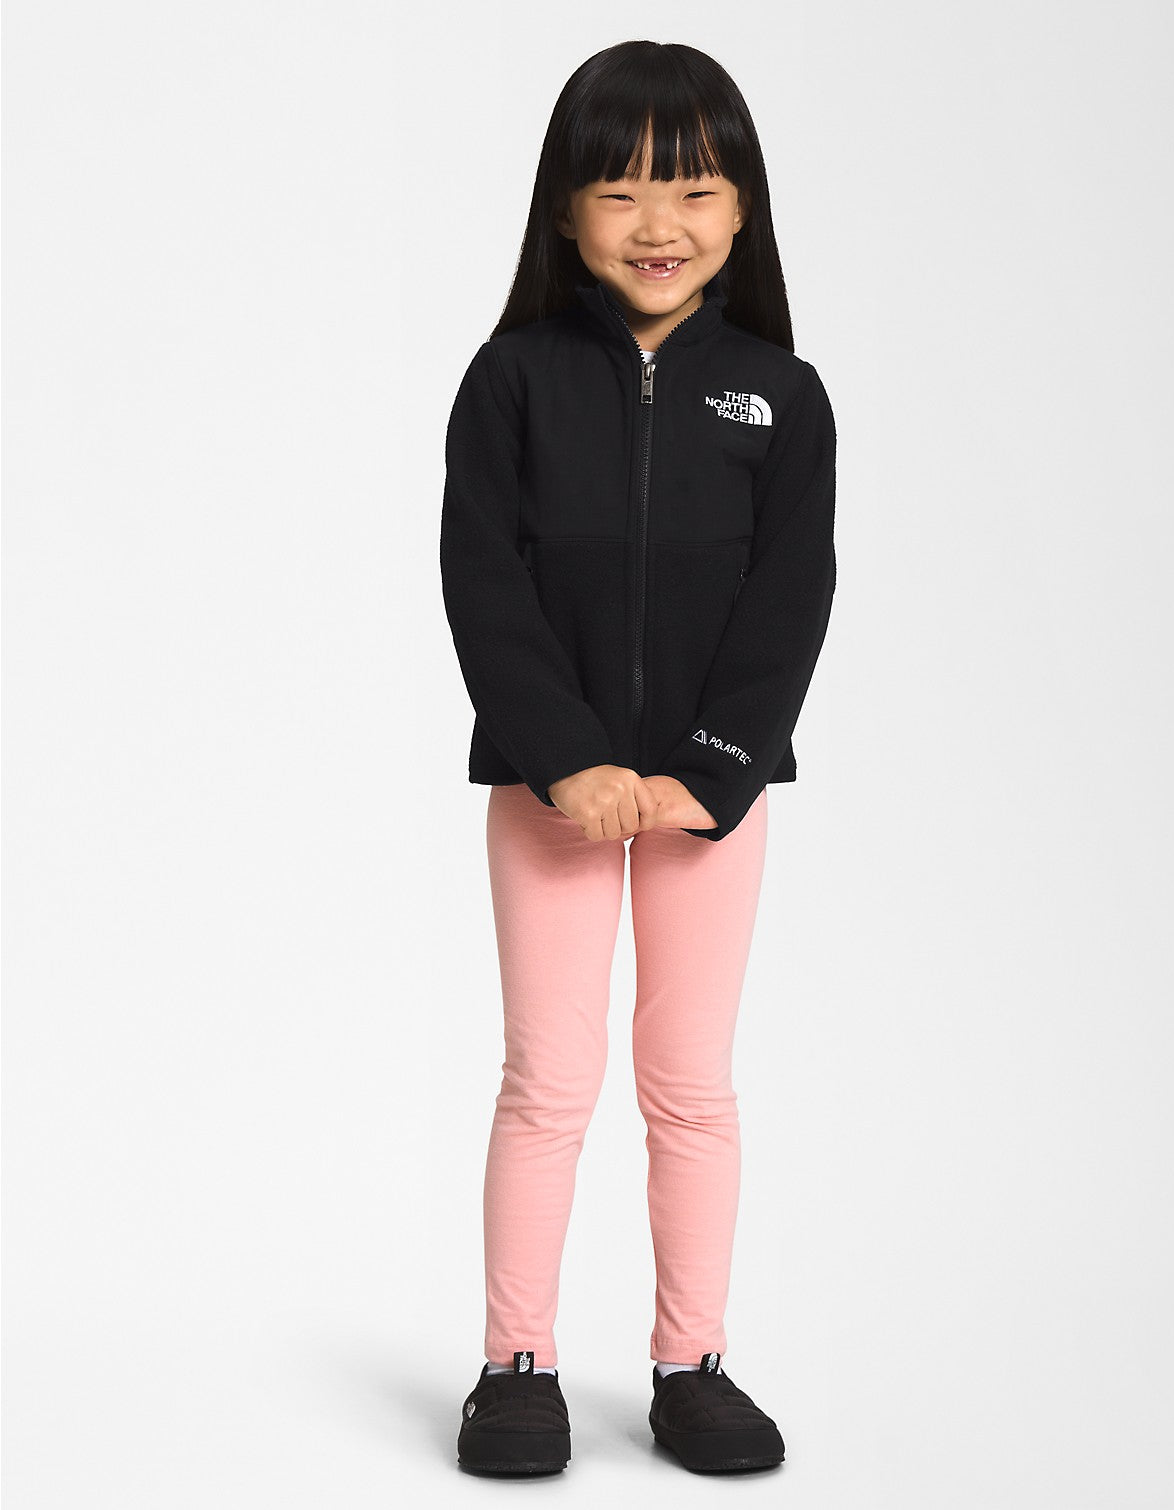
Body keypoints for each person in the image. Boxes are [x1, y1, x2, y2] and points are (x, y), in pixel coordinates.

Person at [440, 38, 837, 1477]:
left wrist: (709, 771)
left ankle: (691, 1364)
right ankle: (517, 1365)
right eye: (619, 191)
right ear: (566, 210)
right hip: (550, 792)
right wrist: (564, 760)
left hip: (707, 803)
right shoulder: (513, 380)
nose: (658, 222)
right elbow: (483, 583)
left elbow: (791, 600)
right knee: (549, 1081)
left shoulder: (781, 393)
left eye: (694, 188)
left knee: (690, 1082)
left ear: (743, 210)